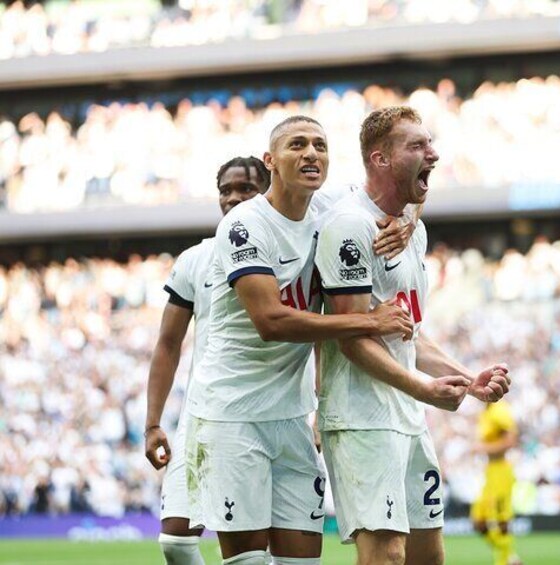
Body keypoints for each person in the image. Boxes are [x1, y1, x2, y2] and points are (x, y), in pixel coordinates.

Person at [182, 115, 418, 565]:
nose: (311, 153)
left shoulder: (329, 208)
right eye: (297, 145)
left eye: (320, 145)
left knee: (302, 562)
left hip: (291, 417)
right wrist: (368, 322)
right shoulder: (243, 226)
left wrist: (406, 218)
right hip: (232, 417)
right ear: (270, 161)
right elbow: (271, 320)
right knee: (248, 562)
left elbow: (401, 188)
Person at [315, 105, 512, 565]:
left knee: (429, 555)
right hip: (362, 416)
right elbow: (352, 335)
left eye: (431, 143)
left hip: (404, 415)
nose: (434, 154)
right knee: (386, 555)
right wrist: (426, 389)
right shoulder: (350, 225)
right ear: (380, 159)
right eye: (418, 146)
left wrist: (469, 379)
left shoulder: (412, 232)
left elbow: (411, 336)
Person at [145, 156, 270, 565]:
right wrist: (152, 423)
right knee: (176, 543)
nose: (232, 198)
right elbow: (168, 343)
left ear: (268, 192)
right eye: (225, 190)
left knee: (251, 553)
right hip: (200, 418)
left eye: (245, 189)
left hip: (264, 417)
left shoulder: (294, 249)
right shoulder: (196, 259)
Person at [470, 400, 522, 565]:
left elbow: (510, 441)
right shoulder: (485, 412)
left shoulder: (500, 410)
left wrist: (483, 448)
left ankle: (504, 560)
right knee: (479, 520)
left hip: (502, 470)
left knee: (501, 520)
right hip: (490, 471)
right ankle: (511, 557)